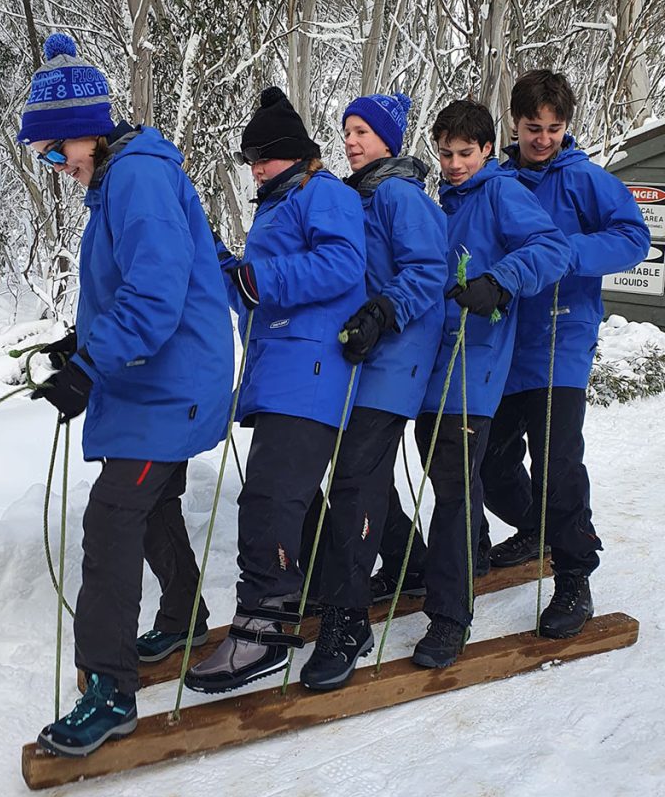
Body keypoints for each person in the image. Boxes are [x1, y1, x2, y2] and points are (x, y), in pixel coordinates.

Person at [19, 33, 234, 755]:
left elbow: (155, 293)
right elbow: (122, 288)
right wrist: (77, 344)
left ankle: (109, 689)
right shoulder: (120, 181)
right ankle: (184, 616)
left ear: (84, 129)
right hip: (157, 377)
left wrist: (91, 364)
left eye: (56, 152)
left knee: (113, 516)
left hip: (172, 383)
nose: (56, 167)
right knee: (149, 505)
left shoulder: (137, 178)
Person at [184, 86, 367, 694]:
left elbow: (343, 265)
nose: (255, 168)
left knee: (267, 498)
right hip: (279, 369)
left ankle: (264, 626)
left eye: (264, 157)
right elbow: (261, 291)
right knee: (291, 498)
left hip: (313, 369)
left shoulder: (326, 193)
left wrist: (260, 277)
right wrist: (225, 267)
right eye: (251, 159)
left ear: (295, 154)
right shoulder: (277, 205)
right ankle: (318, 598)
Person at [390, 99, 570, 669]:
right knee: (443, 473)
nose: (453, 163)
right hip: (431, 360)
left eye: (465, 153)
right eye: (445, 153)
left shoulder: (501, 192)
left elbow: (552, 247)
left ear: (488, 149)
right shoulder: (443, 200)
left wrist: (501, 279)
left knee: (451, 480)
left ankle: (449, 616)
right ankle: (468, 562)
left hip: (477, 359)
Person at [479, 70, 650, 637]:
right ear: (514, 124)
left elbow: (633, 237)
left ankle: (575, 577)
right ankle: (537, 530)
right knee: (490, 461)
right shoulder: (496, 179)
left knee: (557, 465)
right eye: (534, 127)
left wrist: (564, 253)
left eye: (554, 128)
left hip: (562, 338)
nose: (544, 138)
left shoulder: (585, 180)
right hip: (506, 341)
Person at [298, 92, 448, 692]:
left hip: (397, 355)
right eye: (346, 130)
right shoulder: (354, 195)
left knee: (356, 480)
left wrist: (384, 313)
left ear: (388, 139)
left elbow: (427, 271)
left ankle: (347, 619)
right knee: (360, 473)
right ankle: (409, 560)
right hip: (359, 355)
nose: (352, 140)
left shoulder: (398, 194)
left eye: (363, 131)